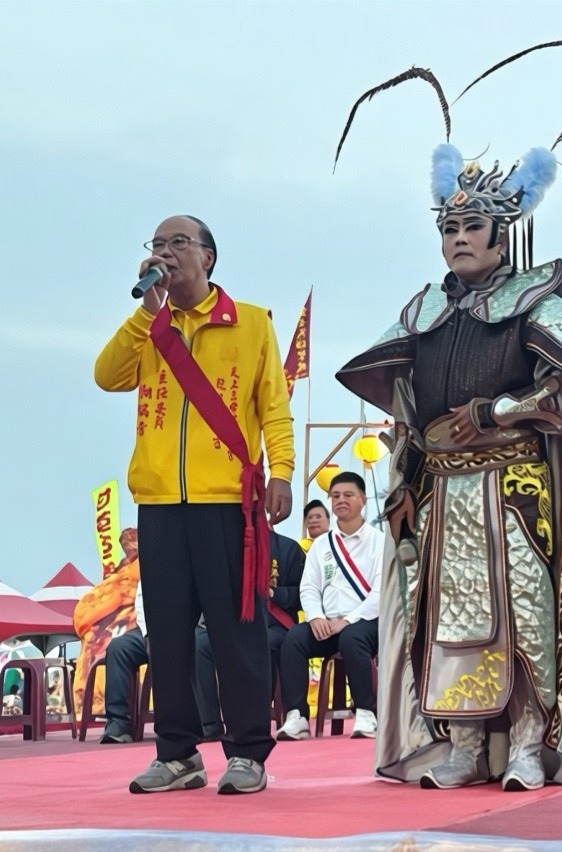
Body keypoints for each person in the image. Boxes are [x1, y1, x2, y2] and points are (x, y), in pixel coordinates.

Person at [335, 56, 562, 791]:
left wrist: (492, 412)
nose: (457, 237)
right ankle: (459, 741)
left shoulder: (537, 302)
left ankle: (525, 741)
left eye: (471, 225)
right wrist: (405, 473)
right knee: (442, 620)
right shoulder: (423, 310)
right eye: (448, 226)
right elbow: (404, 404)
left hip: (516, 485)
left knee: (525, 611)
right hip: (443, 495)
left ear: (503, 232)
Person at [95, 215, 294, 794]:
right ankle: (177, 754)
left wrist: (279, 470)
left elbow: (273, 406)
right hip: (159, 502)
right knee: (168, 634)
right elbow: (107, 377)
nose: (165, 251)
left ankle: (249, 752)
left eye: (178, 242)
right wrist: (145, 310)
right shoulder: (151, 327)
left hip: (226, 501)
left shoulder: (251, 323)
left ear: (208, 257)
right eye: (157, 244)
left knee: (237, 631)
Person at [277, 472, 381, 741]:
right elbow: (308, 588)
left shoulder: (379, 542)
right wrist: (315, 617)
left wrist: (349, 620)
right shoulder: (321, 545)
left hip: (366, 623)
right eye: (335, 496)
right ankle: (297, 716)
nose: (341, 500)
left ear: (362, 500)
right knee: (294, 639)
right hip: (327, 624)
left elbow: (382, 592)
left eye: (348, 495)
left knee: (352, 637)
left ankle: (366, 714)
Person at [102, 581, 223, 744]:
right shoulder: (149, 561)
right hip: (149, 630)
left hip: (191, 627)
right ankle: (119, 724)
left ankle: (208, 722)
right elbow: (141, 602)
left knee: (197, 644)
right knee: (119, 647)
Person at [265, 530, 305, 675]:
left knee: (259, 642)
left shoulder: (289, 547)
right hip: (237, 625)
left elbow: (304, 594)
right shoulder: (233, 545)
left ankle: (258, 698)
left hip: (277, 624)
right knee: (201, 645)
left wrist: (275, 593)